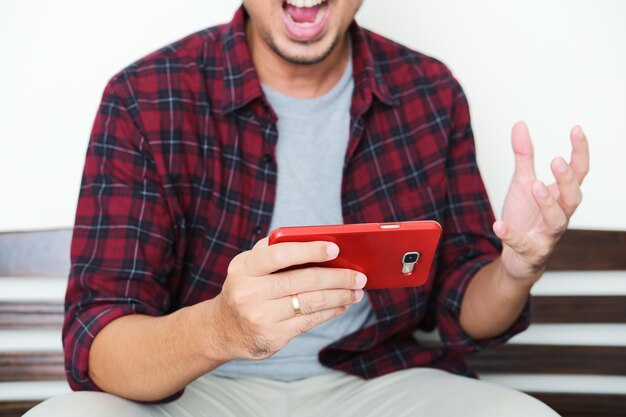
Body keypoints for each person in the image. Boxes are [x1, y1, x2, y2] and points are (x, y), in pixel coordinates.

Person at [26, 1, 589, 416]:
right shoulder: (144, 97)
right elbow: (98, 342)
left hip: (376, 384)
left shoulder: (430, 91)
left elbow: (465, 307)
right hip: (198, 387)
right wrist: (221, 331)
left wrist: (518, 269)